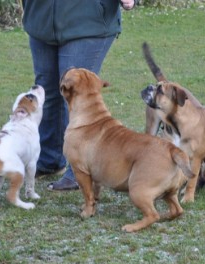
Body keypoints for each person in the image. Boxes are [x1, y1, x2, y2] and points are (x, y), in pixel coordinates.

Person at [22, 0, 136, 190]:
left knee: (79, 95)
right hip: (40, 20)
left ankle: (79, 171)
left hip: (88, 21)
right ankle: (49, 160)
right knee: (46, 92)